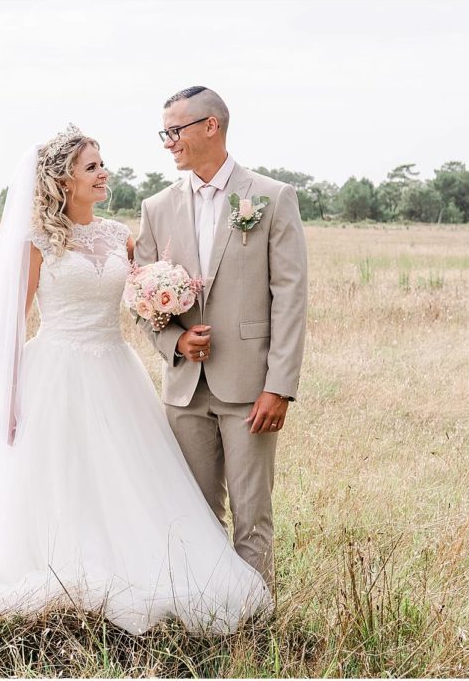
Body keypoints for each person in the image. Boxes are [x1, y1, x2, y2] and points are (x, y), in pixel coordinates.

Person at [0, 125, 271, 635]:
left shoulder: (118, 236)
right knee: (61, 476)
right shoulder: (37, 242)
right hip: (55, 372)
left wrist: (165, 306)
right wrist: (9, 397)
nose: (104, 173)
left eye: (103, 164)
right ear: (64, 180)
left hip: (114, 370)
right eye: (92, 167)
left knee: (126, 474)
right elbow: (11, 328)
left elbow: (141, 302)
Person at [135, 87, 309, 587]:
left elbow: (291, 298)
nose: (168, 142)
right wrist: (174, 343)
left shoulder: (272, 198)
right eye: (164, 132)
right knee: (193, 514)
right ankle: (204, 616)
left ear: (211, 126)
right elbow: (142, 295)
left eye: (175, 130)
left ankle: (254, 627)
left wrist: (280, 386)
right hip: (184, 391)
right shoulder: (156, 207)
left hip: (251, 389)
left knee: (252, 518)